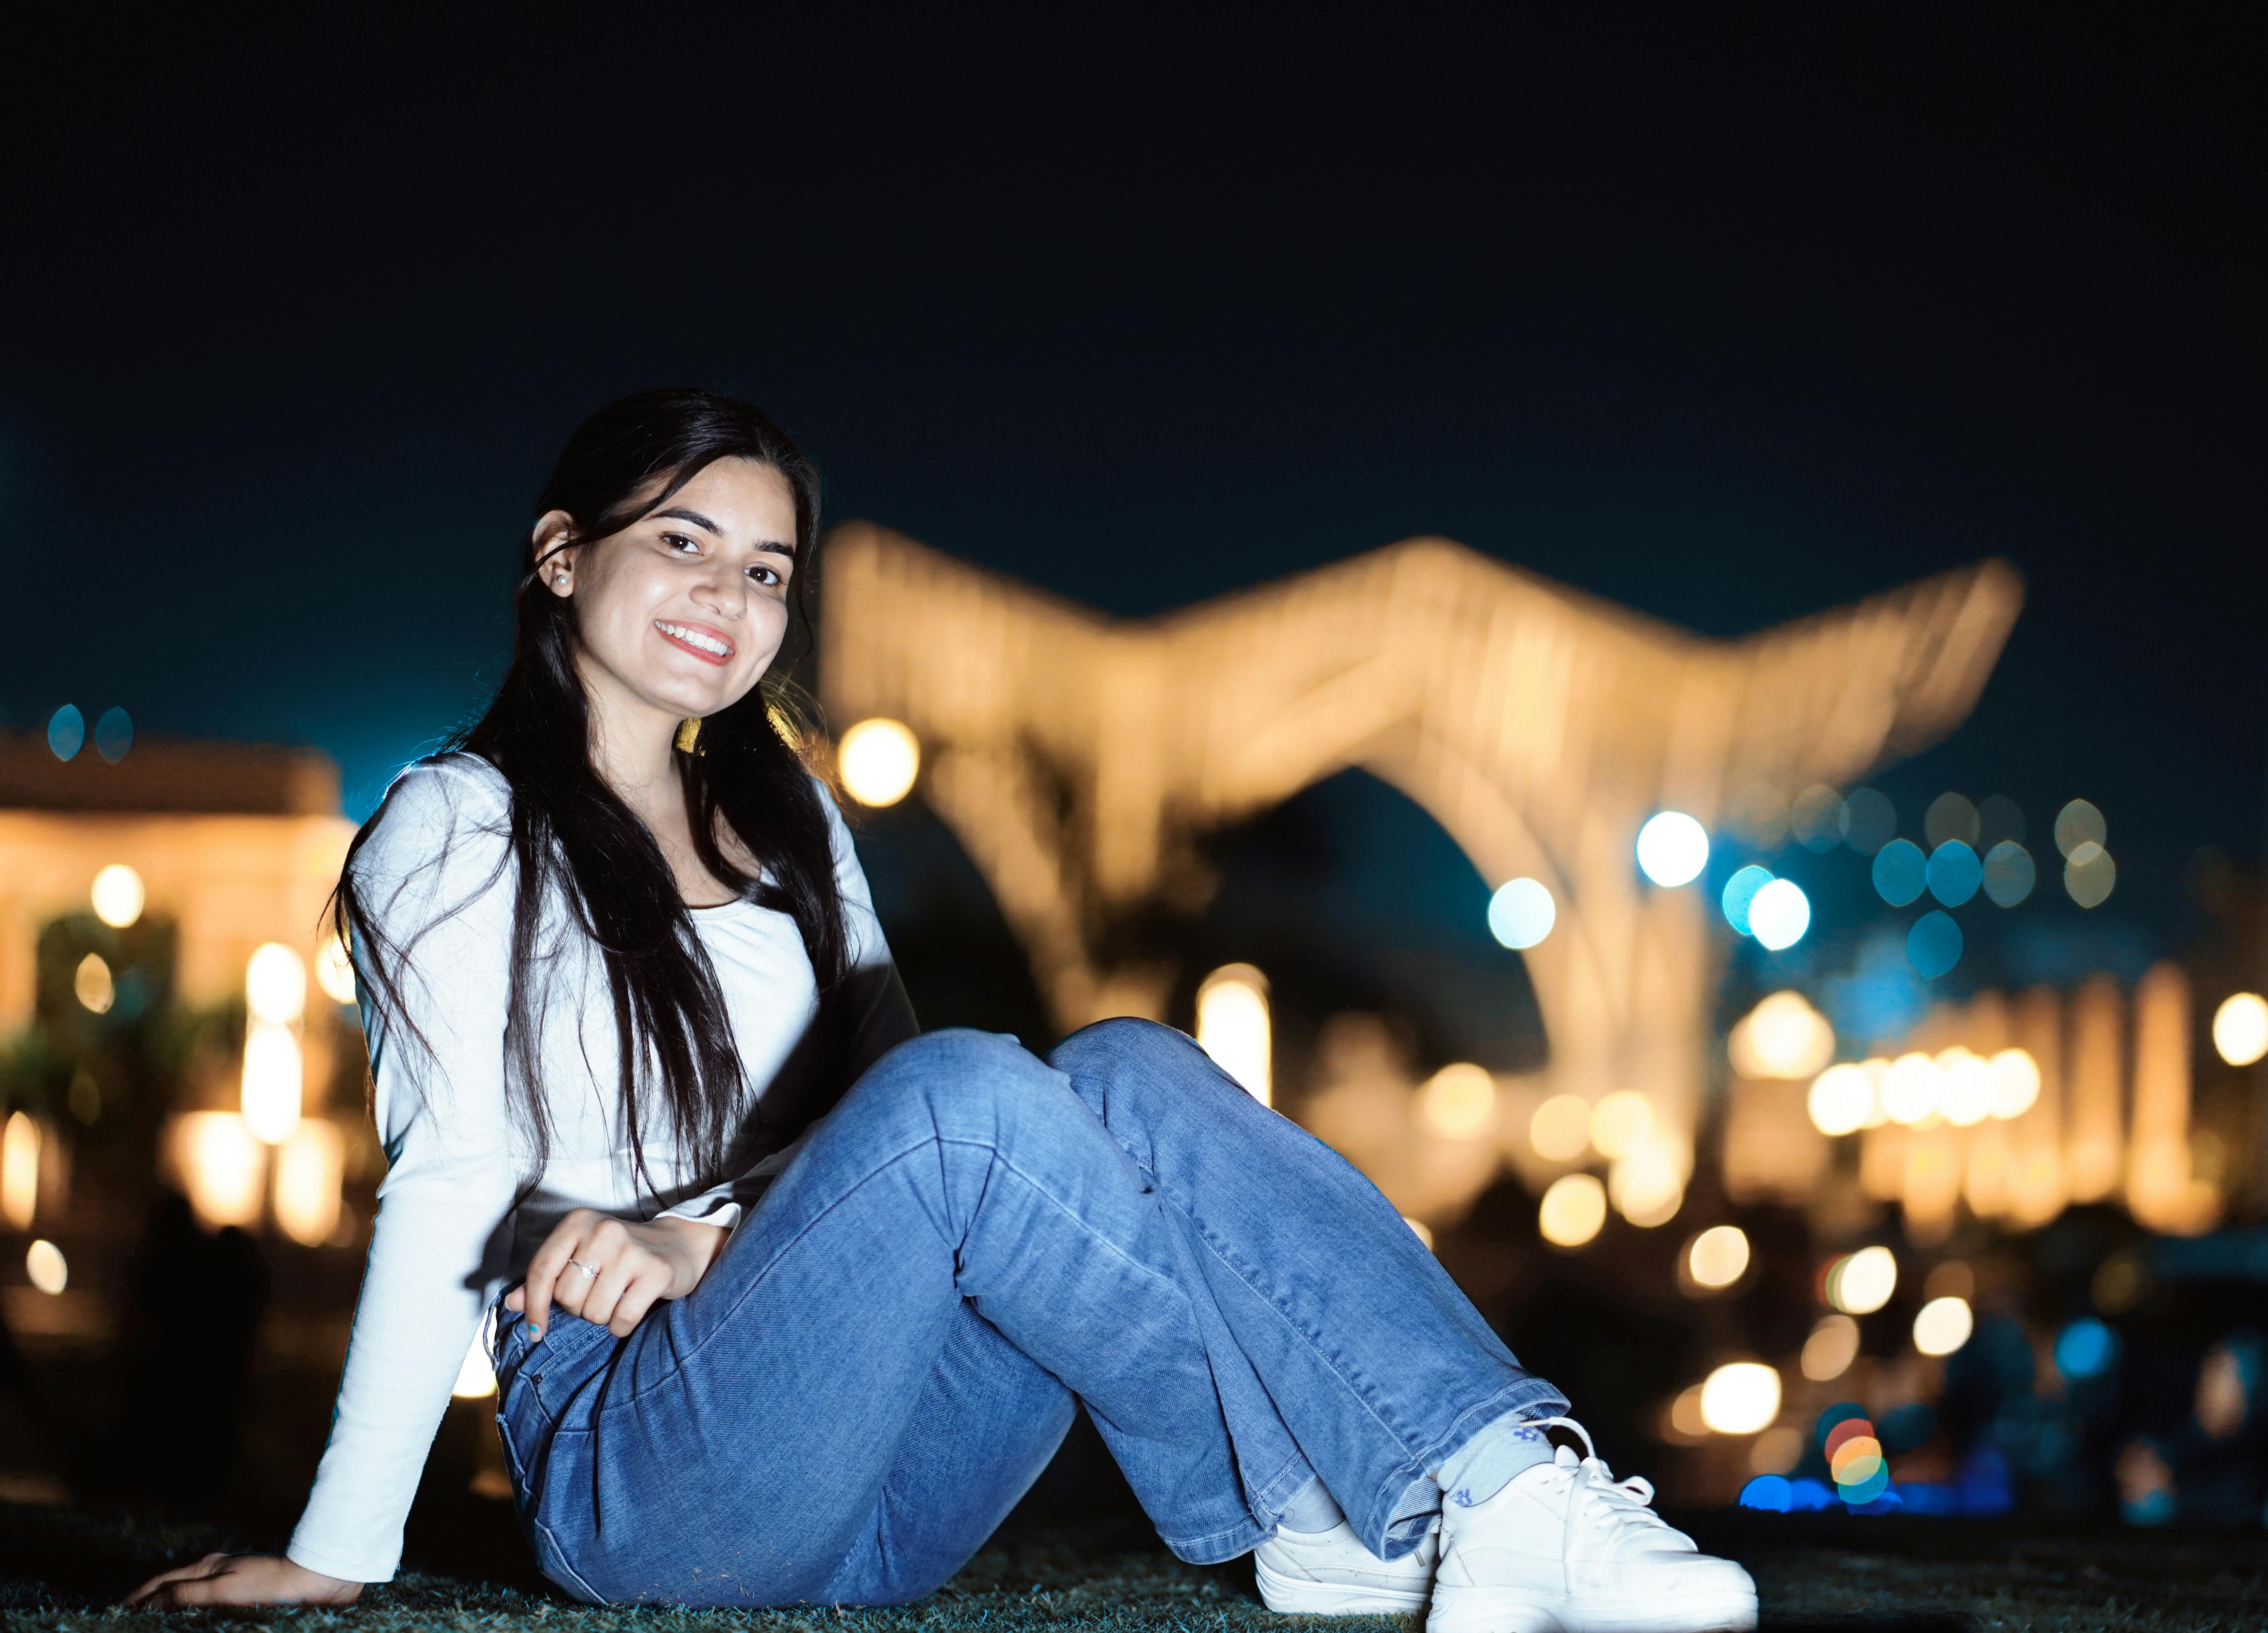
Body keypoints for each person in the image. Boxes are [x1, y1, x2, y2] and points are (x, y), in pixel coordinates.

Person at [126, 389, 1757, 1631]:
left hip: (895, 1484)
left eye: (765, 568)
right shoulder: (457, 823)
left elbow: (897, 1127)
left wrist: (719, 1236)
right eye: (679, 541)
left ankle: (1485, 1484)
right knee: (982, 1093)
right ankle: (1370, 1490)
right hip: (646, 1459)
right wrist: (340, 1548)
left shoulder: (783, 815)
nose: (726, 595)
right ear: (562, 556)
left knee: (1123, 1063)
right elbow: (450, 1178)